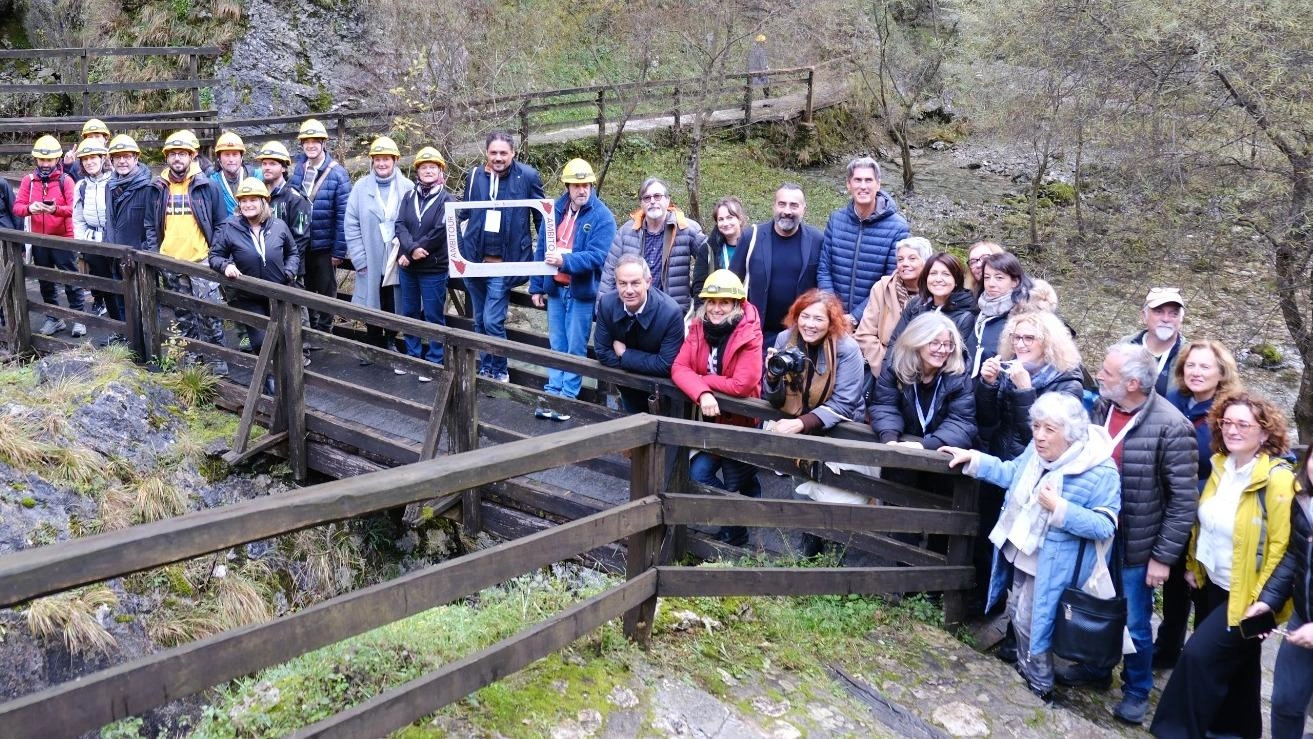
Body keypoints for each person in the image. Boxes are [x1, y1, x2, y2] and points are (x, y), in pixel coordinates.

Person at [941, 392, 1121, 700]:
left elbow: (1106, 525)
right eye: (1036, 426)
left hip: (1055, 563)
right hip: (1024, 548)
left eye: (1049, 429)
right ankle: (1028, 671)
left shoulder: (1099, 470)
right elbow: (1013, 473)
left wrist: (1060, 508)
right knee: (1017, 611)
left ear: (1071, 433)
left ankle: (1040, 685)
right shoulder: (1037, 454)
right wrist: (975, 459)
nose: (1038, 436)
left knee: (1032, 621)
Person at [1055, 342, 1198, 726]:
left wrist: (1163, 558)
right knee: (1096, 604)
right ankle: (1097, 669)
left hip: (1138, 544)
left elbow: (1184, 502)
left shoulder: (1172, 426)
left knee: (1136, 622)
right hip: (1098, 531)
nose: (1099, 375)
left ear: (1133, 383)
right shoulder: (1103, 408)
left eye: (1108, 372)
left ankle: (1136, 690)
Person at [1150, 392, 1294, 739]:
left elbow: (1283, 547)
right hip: (1214, 581)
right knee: (1241, 666)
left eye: (1243, 424)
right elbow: (1205, 523)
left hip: (1249, 595)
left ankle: (1176, 731)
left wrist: (1265, 602)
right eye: (1227, 422)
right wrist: (1192, 565)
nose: (1232, 429)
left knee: (1198, 656)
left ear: (1264, 432)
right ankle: (1236, 730)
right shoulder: (1220, 466)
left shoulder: (1277, 479)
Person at [1154, 339, 1243, 668]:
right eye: (1191, 364)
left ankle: (1202, 661)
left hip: (1209, 514)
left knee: (1203, 592)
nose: (1196, 371)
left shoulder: (1231, 410)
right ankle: (1166, 650)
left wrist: (1197, 488)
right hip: (1172, 509)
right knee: (1175, 587)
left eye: (1205, 366)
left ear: (1221, 372)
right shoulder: (1174, 398)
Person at [672, 270, 764, 546]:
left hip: (741, 422)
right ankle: (735, 527)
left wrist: (701, 381)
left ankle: (741, 526)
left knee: (739, 480)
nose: (716, 308)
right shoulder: (699, 326)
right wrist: (702, 393)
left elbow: (743, 385)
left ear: (736, 304)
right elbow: (678, 366)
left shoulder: (748, 331)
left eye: (724, 302)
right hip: (710, 421)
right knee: (699, 473)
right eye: (711, 301)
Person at [529, 158, 617, 417]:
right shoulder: (554, 210)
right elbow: (541, 248)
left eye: (586, 184)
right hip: (555, 289)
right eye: (577, 185)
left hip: (581, 292)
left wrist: (565, 261)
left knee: (575, 347)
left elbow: (598, 256)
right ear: (567, 185)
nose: (582, 190)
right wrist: (536, 286)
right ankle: (553, 392)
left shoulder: (602, 216)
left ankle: (567, 398)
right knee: (557, 343)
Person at [459, 130, 545, 382]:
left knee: (492, 320)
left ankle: (500, 369)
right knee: (478, 320)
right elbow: (464, 215)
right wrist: (461, 254)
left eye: (503, 153)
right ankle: (486, 367)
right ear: (486, 152)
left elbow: (541, 217)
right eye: (493, 152)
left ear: (513, 153)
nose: (498, 157)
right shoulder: (474, 176)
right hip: (475, 261)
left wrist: (542, 259)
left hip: (505, 263)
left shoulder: (527, 176)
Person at [146, 129, 228, 372]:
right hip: (171, 261)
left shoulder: (207, 185)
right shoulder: (158, 187)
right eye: (173, 154)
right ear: (166, 157)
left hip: (201, 260)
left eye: (182, 154)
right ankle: (190, 359)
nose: (177, 158)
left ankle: (216, 360)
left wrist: (216, 254)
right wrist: (156, 254)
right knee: (182, 315)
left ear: (192, 156)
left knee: (210, 314)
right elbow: (150, 224)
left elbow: (221, 222)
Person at [1255, 445, 1313, 739]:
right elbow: (1293, 557)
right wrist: (1268, 602)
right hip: (1303, 617)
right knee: (1285, 702)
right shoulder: (1303, 501)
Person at [976, 310, 1086, 461]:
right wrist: (988, 384)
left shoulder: (1067, 382)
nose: (1020, 345)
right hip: (998, 460)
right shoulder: (1009, 370)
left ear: (1048, 342)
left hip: (1035, 466)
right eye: (1016, 337)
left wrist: (1025, 391)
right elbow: (986, 422)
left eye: (1029, 338)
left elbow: (1043, 438)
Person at [208, 177, 299, 356]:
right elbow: (214, 256)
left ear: (263, 201)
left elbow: (293, 253)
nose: (247, 204)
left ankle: (285, 382)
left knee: (284, 341)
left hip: (279, 294)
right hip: (249, 295)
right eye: (243, 200)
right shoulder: (230, 227)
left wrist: (289, 272)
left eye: (252, 200)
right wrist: (225, 265)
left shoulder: (279, 226)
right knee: (260, 342)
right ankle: (269, 382)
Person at [817, 156, 911, 325]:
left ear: (878, 184)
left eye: (868, 180)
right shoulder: (836, 220)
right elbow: (824, 268)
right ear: (848, 184)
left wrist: (855, 317)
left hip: (873, 320)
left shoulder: (897, 227)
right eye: (857, 180)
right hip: (833, 317)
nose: (863, 186)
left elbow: (890, 280)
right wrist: (833, 310)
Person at [728, 183, 823, 349]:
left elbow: (823, 285)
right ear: (774, 206)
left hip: (800, 335)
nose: (787, 211)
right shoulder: (752, 237)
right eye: (782, 204)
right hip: (757, 332)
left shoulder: (817, 240)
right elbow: (732, 281)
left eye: (794, 205)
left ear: (804, 209)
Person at [345, 136, 414, 357]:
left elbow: (415, 223)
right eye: (378, 159)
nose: (382, 163)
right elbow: (351, 223)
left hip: (397, 257)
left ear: (395, 160)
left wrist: (407, 252)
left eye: (386, 159)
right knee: (371, 300)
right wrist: (359, 259)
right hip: (370, 256)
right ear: (372, 161)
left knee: (394, 299)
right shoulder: (360, 187)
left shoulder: (407, 187)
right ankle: (372, 344)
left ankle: (391, 341)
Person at [392, 146, 457, 381]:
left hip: (433, 268)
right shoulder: (409, 196)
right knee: (409, 313)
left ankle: (434, 361)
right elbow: (400, 225)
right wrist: (410, 251)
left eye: (433, 167)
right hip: (409, 267)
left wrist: (418, 249)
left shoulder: (448, 199)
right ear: (417, 171)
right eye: (424, 167)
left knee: (432, 315)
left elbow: (441, 231)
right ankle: (413, 357)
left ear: (441, 171)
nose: (428, 171)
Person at [600, 177, 708, 315]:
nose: (652, 201)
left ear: (667, 200)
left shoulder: (686, 228)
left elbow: (710, 257)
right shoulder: (626, 231)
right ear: (641, 203)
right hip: (634, 312)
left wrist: (700, 295)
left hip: (673, 312)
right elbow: (609, 272)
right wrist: (601, 310)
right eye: (647, 198)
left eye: (657, 196)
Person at [869, 311, 976, 450]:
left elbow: (961, 422)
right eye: (935, 343)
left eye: (948, 344)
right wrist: (890, 439)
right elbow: (885, 406)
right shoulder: (895, 367)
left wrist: (925, 445)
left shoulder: (959, 376)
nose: (942, 350)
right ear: (917, 342)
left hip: (941, 455)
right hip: (901, 445)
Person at [763, 289, 865, 435]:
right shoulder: (785, 339)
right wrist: (772, 377)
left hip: (838, 423)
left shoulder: (847, 348)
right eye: (805, 316)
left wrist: (802, 423)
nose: (810, 324)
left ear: (831, 323)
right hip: (793, 414)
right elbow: (774, 400)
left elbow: (844, 402)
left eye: (818, 319)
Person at [593, 255, 685, 413]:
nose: (629, 290)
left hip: (663, 392)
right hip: (627, 387)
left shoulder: (671, 312)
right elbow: (602, 352)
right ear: (616, 283)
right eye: (622, 283)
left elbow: (666, 365)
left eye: (635, 283)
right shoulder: (607, 304)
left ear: (648, 281)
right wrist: (648, 363)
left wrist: (624, 354)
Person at [13, 134, 83, 338]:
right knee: (45, 280)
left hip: (63, 238)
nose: (45, 164)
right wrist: (29, 208)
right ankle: (54, 317)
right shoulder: (29, 181)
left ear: (57, 160)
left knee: (70, 278)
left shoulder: (66, 181)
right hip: (38, 240)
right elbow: (17, 207)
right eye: (42, 160)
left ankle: (79, 317)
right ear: (36, 160)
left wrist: (55, 211)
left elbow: (73, 209)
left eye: (49, 160)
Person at [288, 118, 352, 337]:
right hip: (302, 242)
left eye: (316, 141)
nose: (311, 145)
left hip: (325, 245)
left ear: (324, 143)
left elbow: (344, 215)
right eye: (307, 141)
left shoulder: (338, 174)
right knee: (305, 288)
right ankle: (310, 332)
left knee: (326, 291)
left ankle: (325, 333)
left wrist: (338, 250)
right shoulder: (298, 169)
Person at [100, 134, 153, 346]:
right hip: (116, 255)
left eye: (127, 156)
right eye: (118, 157)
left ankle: (146, 345)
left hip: (138, 258)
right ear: (111, 160)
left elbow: (152, 227)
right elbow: (109, 220)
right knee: (121, 300)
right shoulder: (109, 185)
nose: (122, 161)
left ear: (136, 158)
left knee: (145, 304)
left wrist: (145, 255)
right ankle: (127, 341)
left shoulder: (148, 187)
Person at [854, 236, 933, 374]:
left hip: (924, 372)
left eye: (912, 258)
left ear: (926, 262)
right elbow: (865, 335)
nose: (905, 264)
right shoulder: (882, 288)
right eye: (900, 259)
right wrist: (887, 368)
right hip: (885, 368)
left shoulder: (935, 292)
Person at [884, 251, 977, 352]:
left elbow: (959, 359)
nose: (938, 279)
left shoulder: (966, 316)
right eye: (933, 273)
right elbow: (895, 343)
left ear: (956, 281)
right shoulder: (916, 305)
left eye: (946, 274)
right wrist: (889, 367)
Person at [967, 251, 1036, 377]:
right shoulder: (980, 312)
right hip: (976, 390)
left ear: (1014, 281)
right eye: (987, 277)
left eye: (999, 278)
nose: (991, 284)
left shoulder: (1025, 316)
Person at [72, 139, 117, 329]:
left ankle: (128, 329)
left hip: (113, 241)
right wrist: (82, 243)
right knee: (104, 287)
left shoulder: (114, 181)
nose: (89, 162)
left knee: (120, 287)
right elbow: (78, 218)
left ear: (102, 158)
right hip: (93, 241)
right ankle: (117, 328)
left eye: (93, 157)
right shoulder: (81, 186)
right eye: (85, 159)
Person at [255, 142, 311, 284]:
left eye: (273, 163)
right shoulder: (256, 196)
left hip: (288, 273)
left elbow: (300, 239)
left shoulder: (295, 199)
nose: (267, 167)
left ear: (284, 167)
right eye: (264, 163)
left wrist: (288, 269)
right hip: (260, 271)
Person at [1124, 287, 1187, 396]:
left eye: (1174, 314)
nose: (1166, 319)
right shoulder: (1125, 345)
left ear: (1181, 320)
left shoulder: (1189, 357)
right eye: (1159, 312)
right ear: (1144, 316)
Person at [691, 196, 751, 306]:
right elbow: (699, 287)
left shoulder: (753, 247)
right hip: (717, 312)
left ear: (740, 219)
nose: (725, 223)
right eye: (721, 219)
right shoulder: (708, 250)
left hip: (748, 311)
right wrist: (704, 316)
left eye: (730, 217)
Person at [209, 132, 260, 217]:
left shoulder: (256, 176)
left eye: (235, 154)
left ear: (241, 157)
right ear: (219, 159)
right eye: (227, 155)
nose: (231, 159)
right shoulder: (213, 183)